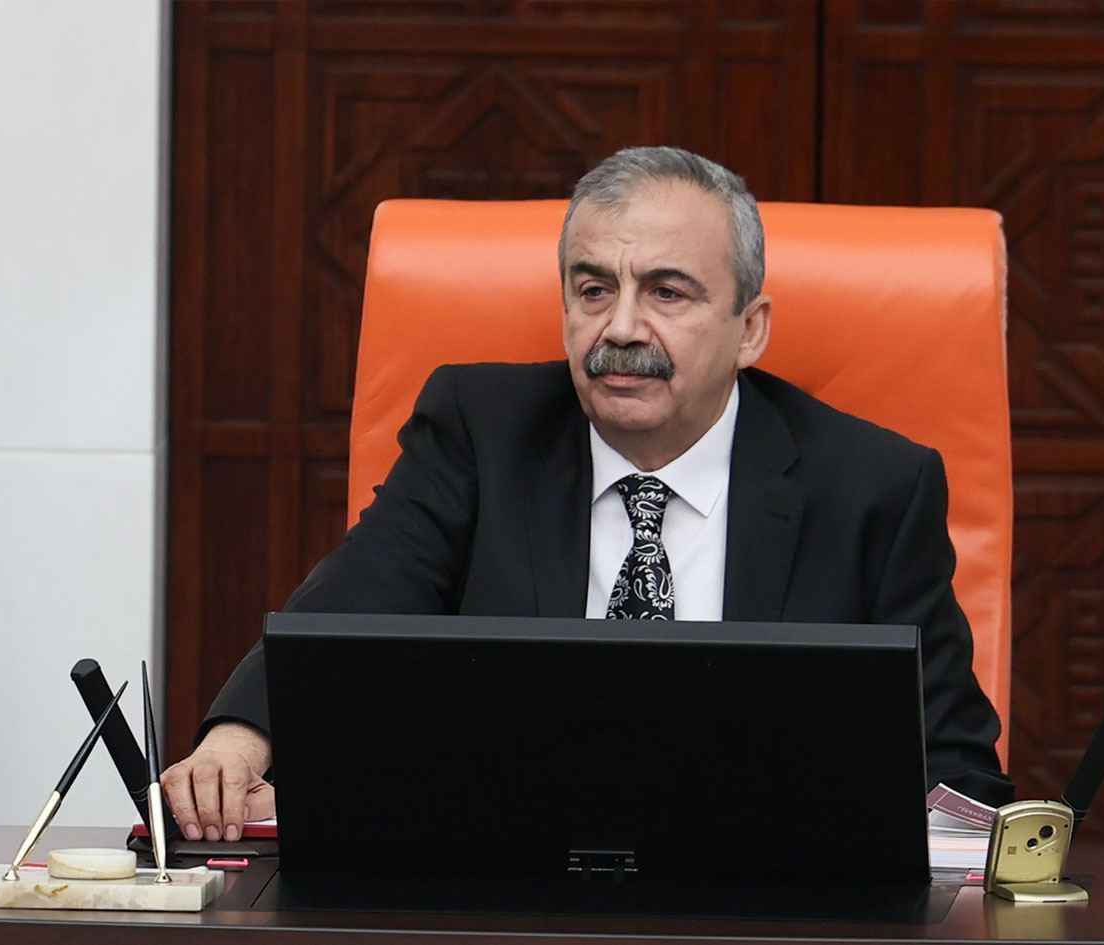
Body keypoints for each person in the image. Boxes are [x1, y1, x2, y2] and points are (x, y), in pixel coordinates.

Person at [162, 146, 1012, 844]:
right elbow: (353, 605)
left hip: (768, 906)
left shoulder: (872, 488)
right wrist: (243, 735)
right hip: (507, 894)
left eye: (667, 292)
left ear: (750, 330)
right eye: (594, 288)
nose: (622, 328)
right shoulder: (480, 432)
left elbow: (955, 771)